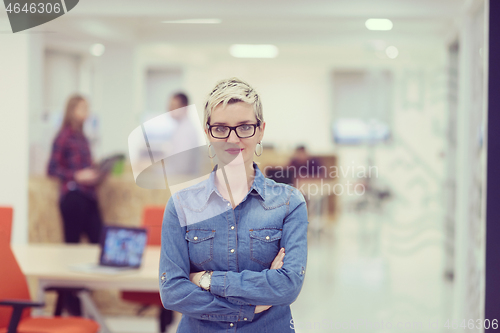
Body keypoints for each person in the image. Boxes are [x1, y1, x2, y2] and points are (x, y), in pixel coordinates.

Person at [159, 77, 309, 332]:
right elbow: (172, 291)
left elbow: (287, 286)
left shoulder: (289, 203)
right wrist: (249, 306)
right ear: (208, 132)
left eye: (244, 127)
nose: (233, 139)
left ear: (260, 130)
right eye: (221, 128)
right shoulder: (181, 206)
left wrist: (205, 280)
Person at [47, 94, 103, 316]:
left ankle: (81, 298)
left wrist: (96, 171)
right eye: (82, 108)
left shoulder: (83, 137)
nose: (86, 112)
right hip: (73, 197)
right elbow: (52, 169)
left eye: (87, 108)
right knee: (71, 251)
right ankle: (70, 305)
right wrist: (77, 175)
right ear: (72, 110)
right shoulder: (64, 137)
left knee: (97, 245)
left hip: (89, 197)